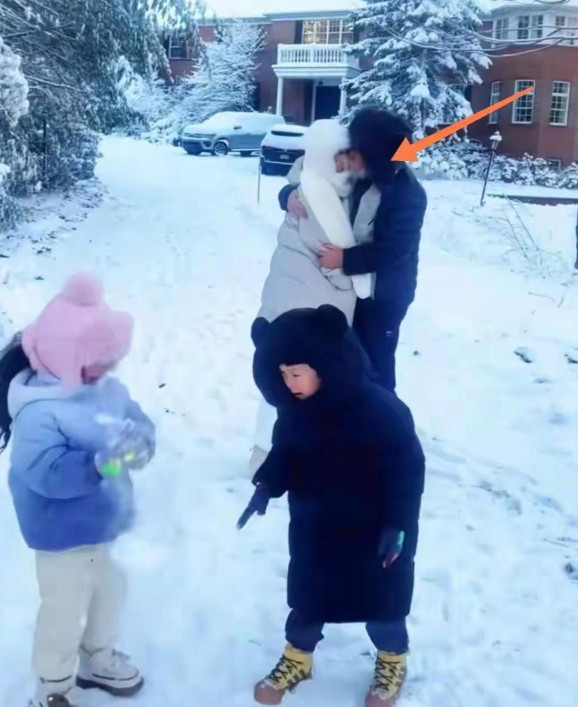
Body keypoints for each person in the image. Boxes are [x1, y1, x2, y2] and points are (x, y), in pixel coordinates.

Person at [239, 305, 425, 707]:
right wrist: (267, 485)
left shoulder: (381, 411)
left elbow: (406, 473)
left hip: (375, 530)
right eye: (283, 375)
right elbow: (285, 453)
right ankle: (297, 659)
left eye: (296, 373)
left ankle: (392, 660)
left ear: (325, 364)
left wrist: (398, 525)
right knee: (309, 600)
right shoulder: (294, 415)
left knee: (382, 606)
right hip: (316, 528)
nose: (289, 384)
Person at [0, 271, 156, 707]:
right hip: (58, 534)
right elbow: (46, 474)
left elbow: (136, 421)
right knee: (63, 610)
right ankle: (52, 684)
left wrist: (139, 441)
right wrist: (100, 464)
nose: (106, 372)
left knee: (110, 592)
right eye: (97, 364)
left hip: (101, 523)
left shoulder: (103, 388)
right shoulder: (38, 412)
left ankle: (97, 657)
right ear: (65, 356)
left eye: (110, 362)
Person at [251, 118, 373, 474]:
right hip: (309, 307)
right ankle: (286, 456)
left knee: (279, 376)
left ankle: (263, 453)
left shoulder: (304, 176)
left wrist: (285, 196)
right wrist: (356, 284)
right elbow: (338, 261)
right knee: (306, 383)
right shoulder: (323, 197)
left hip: (281, 302)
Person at [279, 108, 428, 392]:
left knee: (376, 362)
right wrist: (288, 196)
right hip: (346, 290)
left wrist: (344, 259)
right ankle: (347, 416)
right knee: (344, 357)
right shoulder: (358, 174)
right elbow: (312, 178)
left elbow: (394, 250)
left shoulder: (408, 194)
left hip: (384, 296)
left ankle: (382, 423)